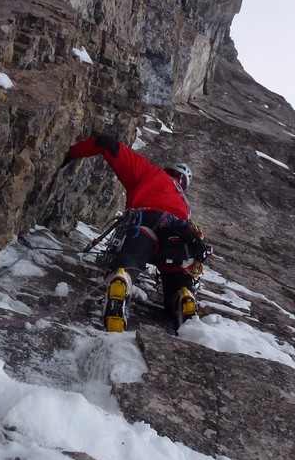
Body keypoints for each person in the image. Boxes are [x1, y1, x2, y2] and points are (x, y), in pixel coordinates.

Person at [62, 132, 212, 332]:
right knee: (175, 273)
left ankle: (123, 276)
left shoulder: (150, 172)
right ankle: (182, 293)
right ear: (184, 183)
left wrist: (71, 153)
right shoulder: (185, 204)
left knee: (132, 256)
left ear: (168, 170)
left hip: (145, 221)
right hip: (177, 232)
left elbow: (107, 143)